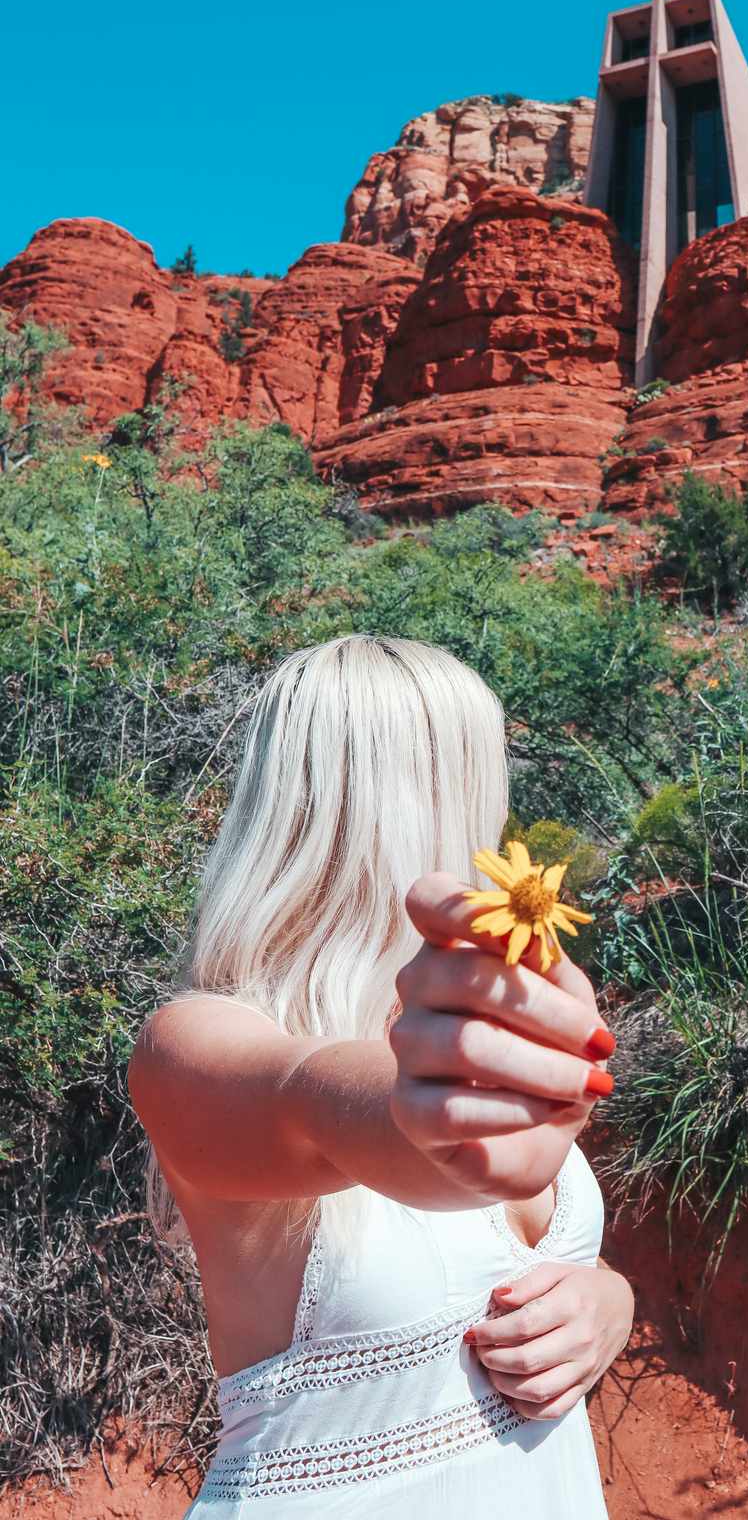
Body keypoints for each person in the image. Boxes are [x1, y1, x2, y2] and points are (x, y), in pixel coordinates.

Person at [130, 635, 633, 1517]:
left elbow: (502, 1267)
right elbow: (323, 1102)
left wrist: (607, 1302)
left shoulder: (477, 1021)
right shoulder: (195, 1046)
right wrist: (428, 1114)